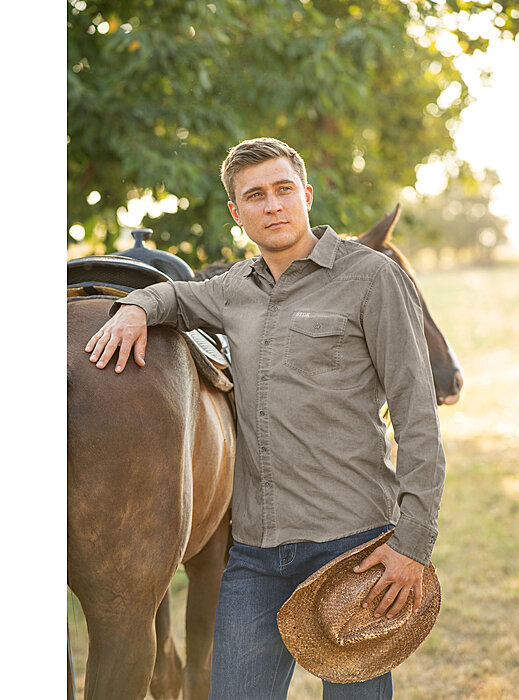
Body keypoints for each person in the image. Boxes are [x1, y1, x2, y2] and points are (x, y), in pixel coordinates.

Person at [85, 137, 446, 699]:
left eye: (283, 191)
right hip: (255, 556)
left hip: (353, 550)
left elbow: (417, 415)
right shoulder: (234, 289)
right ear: (237, 212)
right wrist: (134, 307)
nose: (272, 206)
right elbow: (177, 297)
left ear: (305, 195)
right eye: (255, 196)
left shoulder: (371, 277)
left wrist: (412, 543)